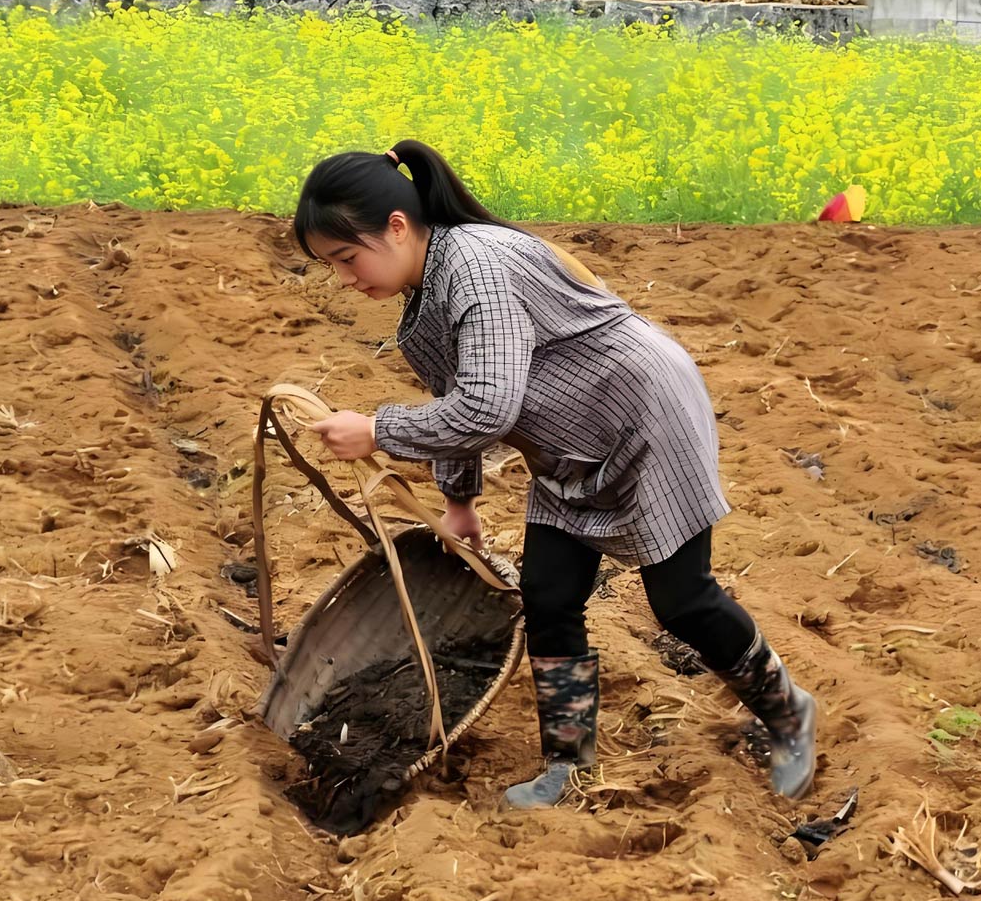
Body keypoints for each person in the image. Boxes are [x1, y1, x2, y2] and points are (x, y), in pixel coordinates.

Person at [293, 140, 818, 806]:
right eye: (333, 265)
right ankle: (568, 765)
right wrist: (459, 501)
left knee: (680, 598)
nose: (345, 277)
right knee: (547, 594)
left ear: (396, 228)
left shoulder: (475, 269)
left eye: (347, 257)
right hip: (571, 442)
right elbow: (460, 396)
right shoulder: (426, 297)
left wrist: (376, 430)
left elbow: (487, 406)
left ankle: (789, 711)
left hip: (644, 416)